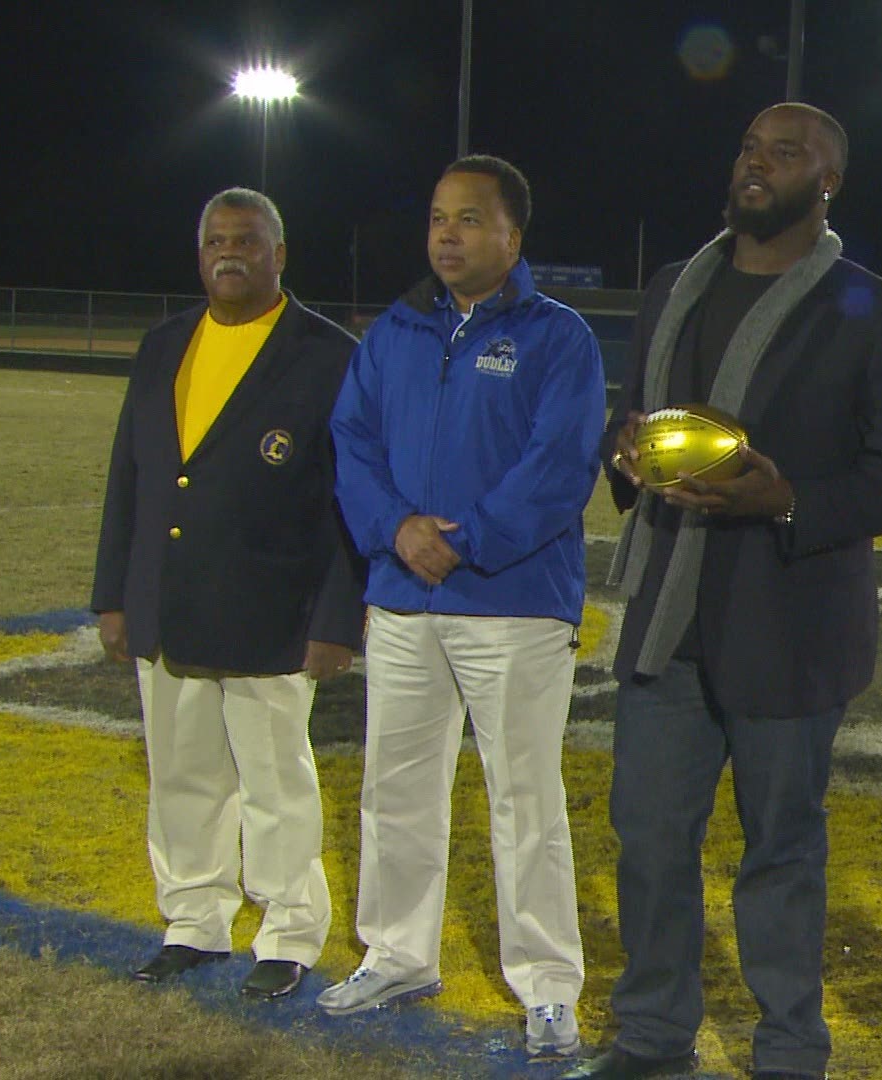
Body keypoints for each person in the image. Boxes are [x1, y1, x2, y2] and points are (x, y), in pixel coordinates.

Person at [567, 103, 882, 1080]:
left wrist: (788, 500)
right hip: (668, 620)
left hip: (788, 624)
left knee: (779, 855)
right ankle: (652, 1039)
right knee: (648, 843)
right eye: (747, 147)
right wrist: (625, 451)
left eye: (786, 154)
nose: (757, 165)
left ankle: (787, 1054)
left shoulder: (878, 309)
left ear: (828, 183)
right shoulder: (672, 287)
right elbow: (638, 417)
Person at [324, 155, 604, 1058]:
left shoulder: (560, 336)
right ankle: (399, 953)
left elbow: (561, 467)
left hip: (513, 602)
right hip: (405, 594)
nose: (447, 234)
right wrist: (397, 530)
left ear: (513, 237)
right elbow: (351, 442)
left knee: (525, 800)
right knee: (395, 790)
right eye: (439, 218)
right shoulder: (394, 331)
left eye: (469, 220)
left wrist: (466, 539)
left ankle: (549, 985)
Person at [91, 187, 365, 1001]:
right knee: (182, 777)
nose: (229, 252)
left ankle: (286, 932)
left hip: (273, 611)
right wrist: (115, 594)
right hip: (169, 604)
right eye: (215, 239)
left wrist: (335, 619)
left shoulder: (329, 354)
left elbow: (349, 501)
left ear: (280, 255)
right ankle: (194, 921)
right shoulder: (164, 343)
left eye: (247, 239)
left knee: (276, 781)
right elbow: (129, 478)